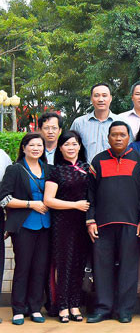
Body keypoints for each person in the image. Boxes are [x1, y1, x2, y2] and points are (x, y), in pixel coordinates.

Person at [86, 121, 140, 323]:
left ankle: (124, 310)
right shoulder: (98, 161)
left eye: (122, 135)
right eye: (114, 135)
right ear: (108, 137)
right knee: (102, 267)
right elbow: (90, 194)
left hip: (131, 224)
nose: (118, 138)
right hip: (102, 225)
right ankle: (103, 308)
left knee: (128, 268)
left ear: (129, 137)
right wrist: (90, 220)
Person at [0, 133, 53, 325]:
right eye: (32, 145)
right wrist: (31, 204)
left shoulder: (49, 169)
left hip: (46, 225)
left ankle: (35, 307)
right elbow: (4, 198)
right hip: (24, 225)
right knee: (23, 267)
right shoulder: (15, 170)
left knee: (40, 268)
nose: (36, 148)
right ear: (23, 148)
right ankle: (18, 309)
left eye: (40, 145)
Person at [43, 131, 90, 323]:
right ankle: (61, 306)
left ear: (80, 146)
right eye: (67, 145)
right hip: (63, 222)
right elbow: (48, 200)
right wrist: (75, 205)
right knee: (64, 265)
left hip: (84, 223)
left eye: (74, 144)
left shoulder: (88, 168)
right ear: (60, 148)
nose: (71, 148)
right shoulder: (56, 171)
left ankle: (74, 304)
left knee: (79, 265)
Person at [71, 83, 118, 163]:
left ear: (110, 98)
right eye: (96, 95)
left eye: (104, 95)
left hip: (114, 173)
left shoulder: (121, 122)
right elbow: (70, 146)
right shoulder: (79, 123)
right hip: (86, 172)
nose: (100, 99)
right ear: (91, 99)